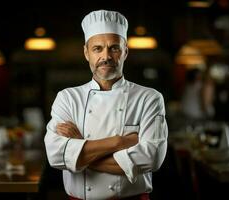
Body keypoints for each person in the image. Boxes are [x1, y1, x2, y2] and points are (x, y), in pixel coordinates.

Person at [44, 10, 168, 200]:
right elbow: (56, 155)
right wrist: (118, 142)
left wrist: (79, 150)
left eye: (114, 48)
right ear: (86, 53)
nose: (106, 56)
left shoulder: (149, 98)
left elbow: (152, 158)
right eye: (97, 48)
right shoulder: (67, 98)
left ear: (125, 51)